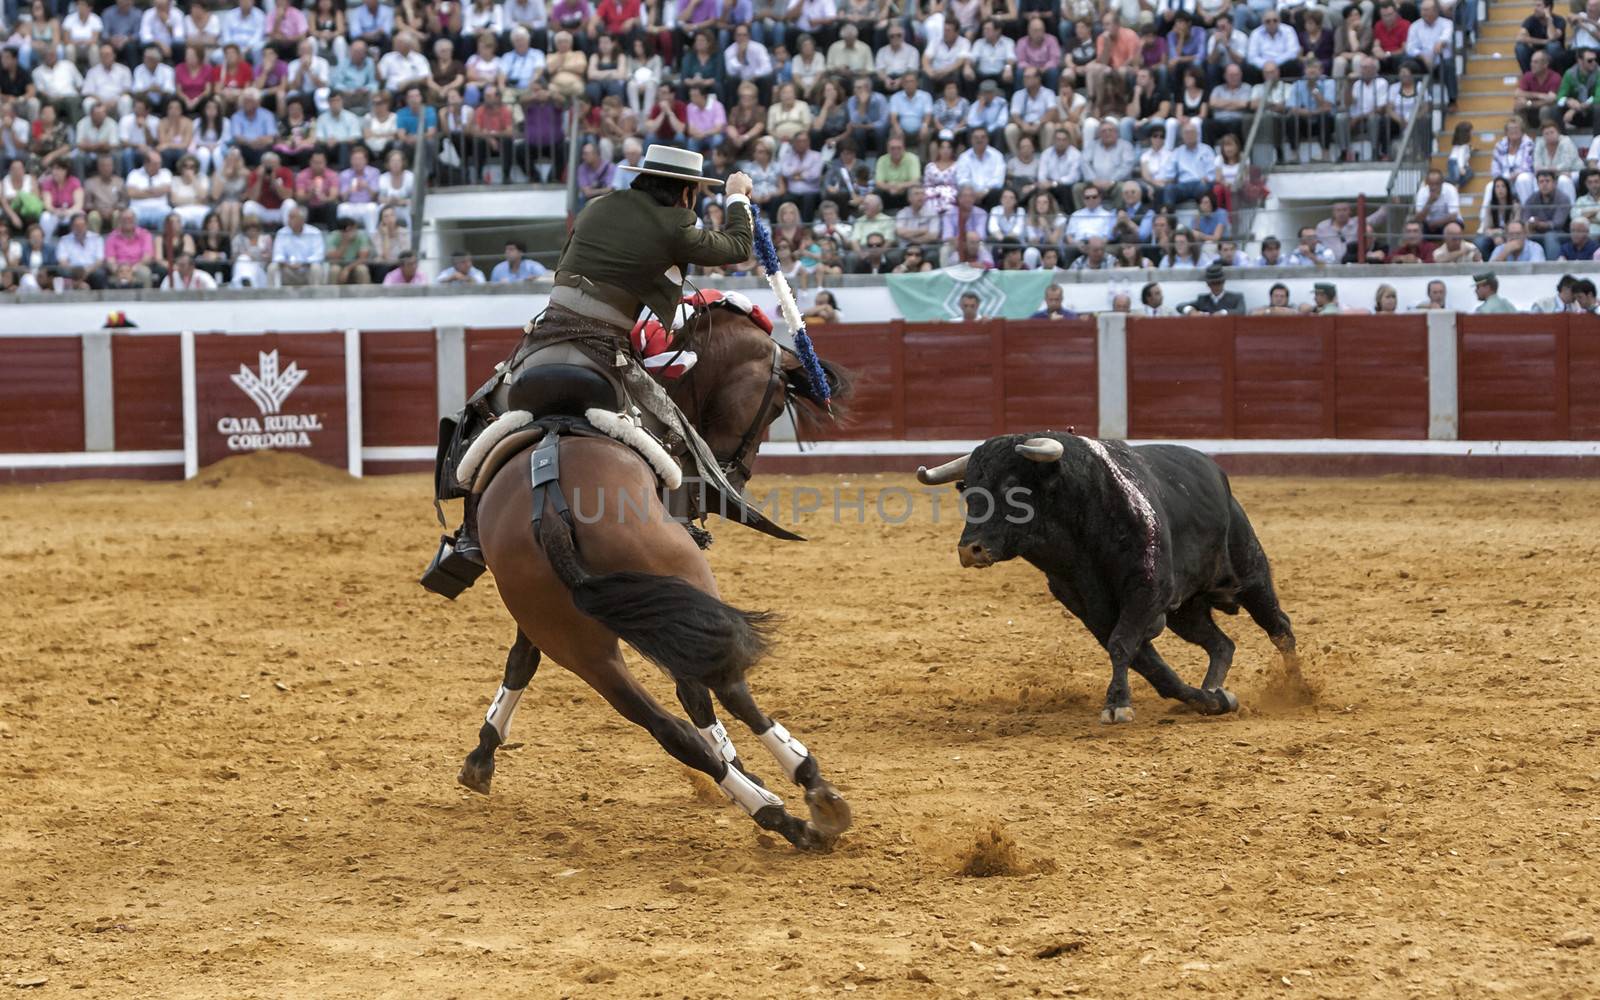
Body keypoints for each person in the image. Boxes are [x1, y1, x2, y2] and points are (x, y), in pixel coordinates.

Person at [425, 144, 762, 592]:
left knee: (476, 415)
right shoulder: (676, 223)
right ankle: (681, 525)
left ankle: (468, 539)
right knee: (678, 433)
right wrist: (738, 196)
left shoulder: (596, 207)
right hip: (605, 352)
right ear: (686, 194)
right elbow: (738, 246)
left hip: (541, 342)